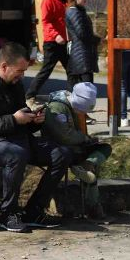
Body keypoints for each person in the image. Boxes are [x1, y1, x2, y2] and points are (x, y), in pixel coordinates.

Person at [0, 42, 73, 233]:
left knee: (61, 153)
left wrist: (34, 121)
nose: (22, 76)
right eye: (19, 71)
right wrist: (14, 120)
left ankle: (34, 211)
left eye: (24, 71)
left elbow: (21, 119)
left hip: (17, 138)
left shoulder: (14, 83)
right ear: (5, 66)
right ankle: (8, 214)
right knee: (16, 154)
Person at [41, 82, 112, 219]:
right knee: (90, 177)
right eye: (83, 110)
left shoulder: (72, 107)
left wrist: (88, 140)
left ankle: (87, 164)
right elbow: (64, 136)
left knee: (105, 148)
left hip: (75, 146)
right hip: (60, 149)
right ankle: (94, 208)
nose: (83, 113)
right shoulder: (57, 107)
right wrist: (84, 139)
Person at [26, 0, 70, 108]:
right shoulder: (49, 0)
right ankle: (29, 96)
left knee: (73, 71)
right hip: (52, 42)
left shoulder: (65, 0)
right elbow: (46, 22)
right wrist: (56, 35)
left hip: (64, 42)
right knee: (46, 70)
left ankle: (74, 100)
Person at [65, 0, 101, 90]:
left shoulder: (79, 12)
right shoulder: (74, 12)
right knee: (87, 90)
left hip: (82, 54)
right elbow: (81, 34)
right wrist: (96, 39)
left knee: (79, 90)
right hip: (81, 55)